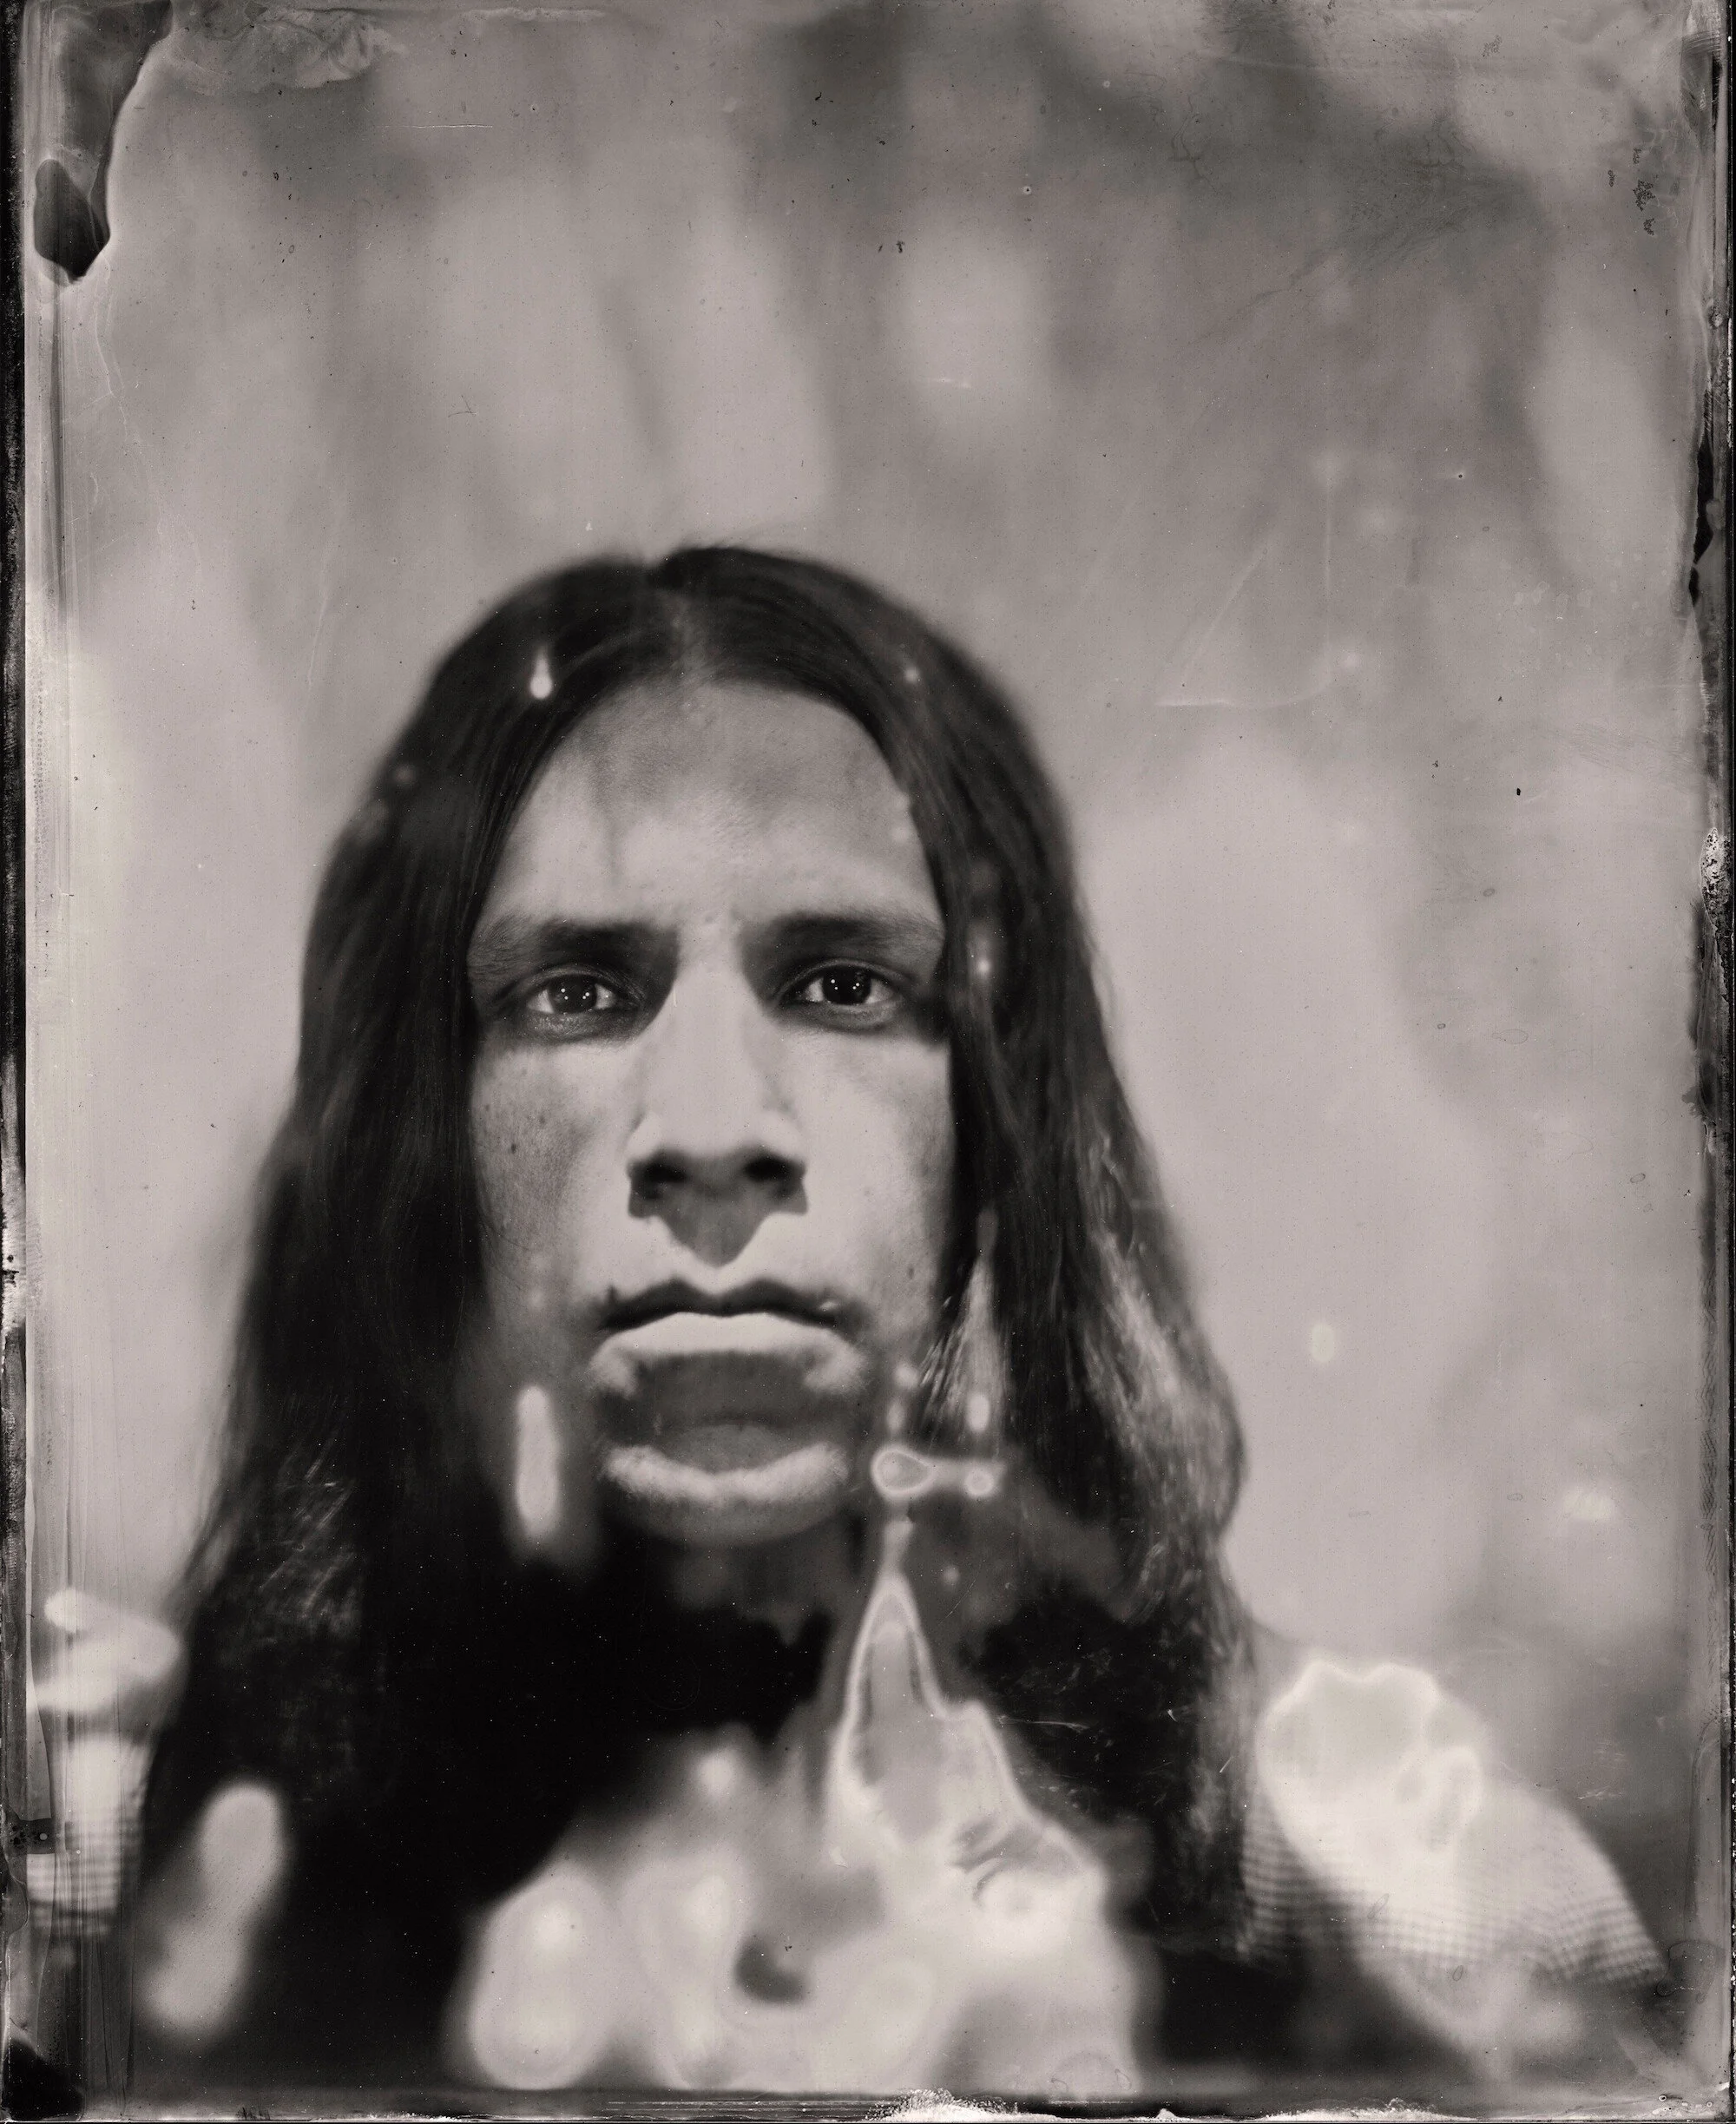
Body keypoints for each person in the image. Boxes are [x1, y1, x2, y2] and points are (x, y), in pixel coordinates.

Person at [20, 550, 1667, 2102]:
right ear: (422, 1138)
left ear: (998, 1128)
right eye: (578, 993)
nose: (713, 1126)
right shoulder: (149, 1912)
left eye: (844, 985)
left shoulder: (1405, 1895)